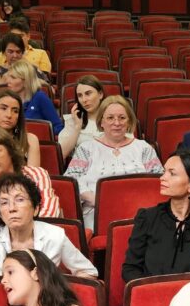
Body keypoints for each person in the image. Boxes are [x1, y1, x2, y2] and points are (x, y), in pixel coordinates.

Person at [0, 173, 96, 284]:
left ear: (35, 208)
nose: (12, 208)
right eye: (4, 202)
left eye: (20, 200)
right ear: (0, 213)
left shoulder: (55, 235)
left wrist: (58, 291)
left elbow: (88, 272)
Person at [124, 148, 190, 282]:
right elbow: (130, 269)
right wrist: (152, 290)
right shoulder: (147, 218)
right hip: (153, 293)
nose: (162, 178)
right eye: (164, 171)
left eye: (172, 174)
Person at [65, 95, 161, 230]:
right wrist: (96, 200)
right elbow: (71, 179)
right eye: (110, 118)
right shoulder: (86, 148)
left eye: (122, 118)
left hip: (139, 214)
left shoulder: (143, 148)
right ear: (101, 122)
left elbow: (159, 180)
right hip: (97, 212)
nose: (117, 123)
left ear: (129, 121)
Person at [58, 76, 104, 159]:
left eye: (88, 93)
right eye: (80, 95)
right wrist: (77, 127)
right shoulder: (73, 120)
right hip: (81, 165)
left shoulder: (113, 118)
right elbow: (61, 155)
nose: (84, 100)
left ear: (100, 94)